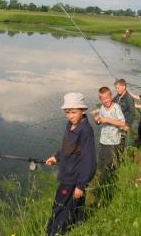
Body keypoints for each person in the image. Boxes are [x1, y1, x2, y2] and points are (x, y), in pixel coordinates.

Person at [45, 92, 96, 236]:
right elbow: (68, 147)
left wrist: (81, 185)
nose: (70, 116)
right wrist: (56, 157)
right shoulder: (70, 125)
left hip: (73, 179)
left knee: (59, 208)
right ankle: (76, 229)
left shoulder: (86, 131)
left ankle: (55, 232)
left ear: (83, 111)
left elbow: (89, 160)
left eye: (74, 112)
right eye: (67, 112)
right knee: (75, 206)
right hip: (67, 174)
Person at [92, 86, 129, 183]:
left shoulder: (116, 107)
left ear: (111, 96)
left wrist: (107, 120)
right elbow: (99, 121)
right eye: (103, 99)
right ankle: (99, 179)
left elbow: (122, 123)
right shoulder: (102, 108)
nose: (106, 100)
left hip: (113, 141)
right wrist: (96, 120)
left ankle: (110, 181)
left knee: (110, 163)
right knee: (101, 162)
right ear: (100, 100)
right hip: (103, 140)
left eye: (107, 98)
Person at [113, 78, 136, 151]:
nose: (117, 90)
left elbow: (132, 113)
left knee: (122, 143)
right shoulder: (118, 96)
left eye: (118, 88)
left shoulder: (129, 98)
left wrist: (125, 124)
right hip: (117, 124)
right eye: (116, 88)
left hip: (123, 124)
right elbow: (112, 103)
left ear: (124, 87)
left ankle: (121, 158)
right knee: (116, 142)